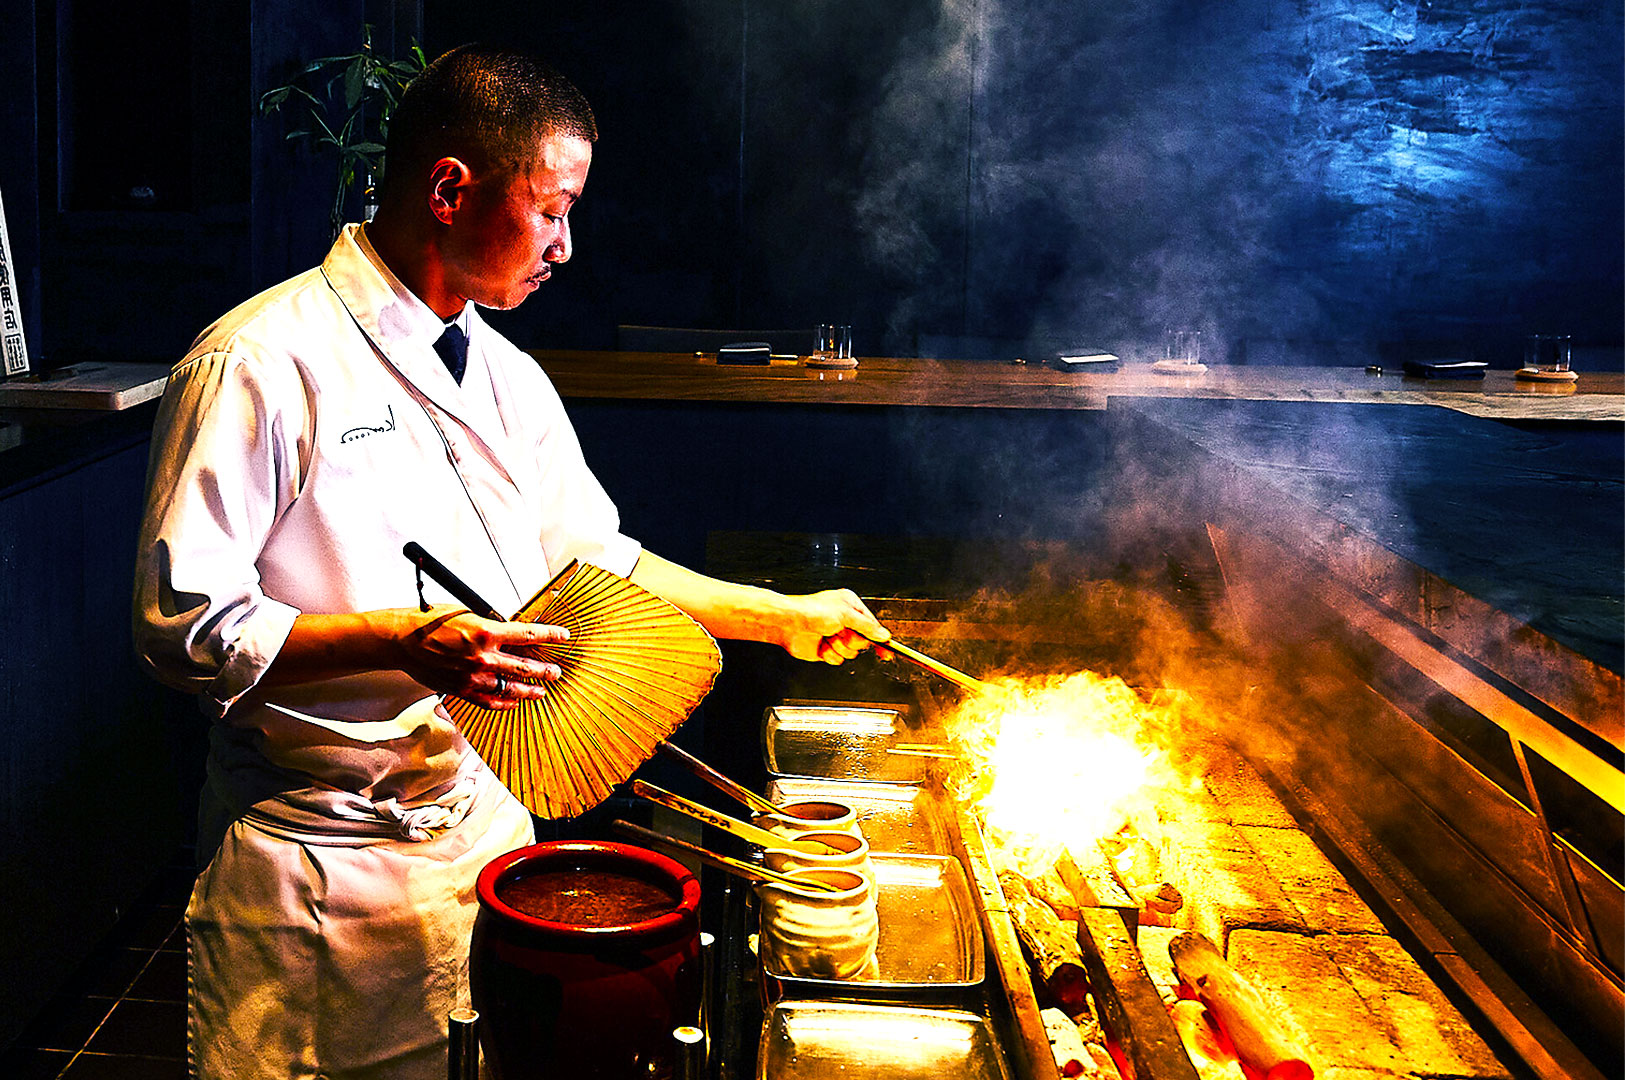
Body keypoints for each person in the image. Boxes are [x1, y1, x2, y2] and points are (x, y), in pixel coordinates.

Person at [133, 44, 887, 1080]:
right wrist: (409, 644)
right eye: (551, 210)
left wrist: (778, 612)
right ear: (450, 188)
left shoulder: (507, 374)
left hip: (485, 843)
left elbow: (592, 559)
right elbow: (183, 629)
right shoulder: (260, 361)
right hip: (324, 863)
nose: (566, 247)